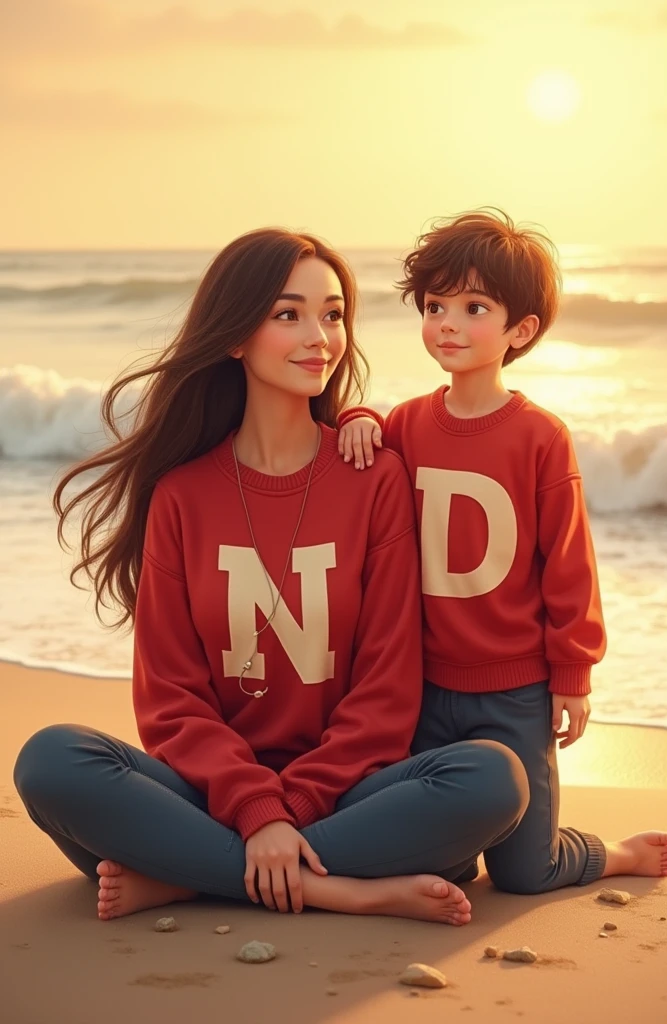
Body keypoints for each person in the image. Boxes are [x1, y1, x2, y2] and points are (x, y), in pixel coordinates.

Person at [13, 227, 531, 925]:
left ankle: (192, 876)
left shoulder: (374, 480)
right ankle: (334, 889)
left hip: (349, 796)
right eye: (288, 315)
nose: (319, 336)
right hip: (211, 795)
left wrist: (291, 813)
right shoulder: (183, 496)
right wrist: (255, 812)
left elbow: (385, 695)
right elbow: (171, 703)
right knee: (50, 762)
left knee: (492, 778)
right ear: (235, 336)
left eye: (334, 314)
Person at [337, 209, 667, 893]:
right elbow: (369, 428)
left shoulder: (540, 437)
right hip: (423, 687)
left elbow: (569, 565)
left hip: (514, 692)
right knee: (436, 859)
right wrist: (355, 417)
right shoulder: (405, 422)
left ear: (520, 330)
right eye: (435, 307)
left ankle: (613, 853)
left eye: (472, 307)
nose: (447, 324)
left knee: (525, 873)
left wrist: (572, 673)